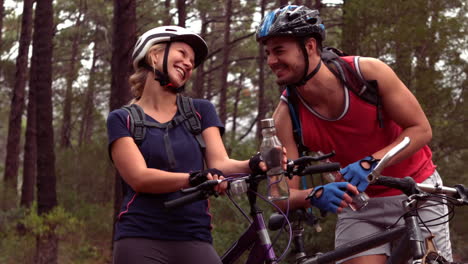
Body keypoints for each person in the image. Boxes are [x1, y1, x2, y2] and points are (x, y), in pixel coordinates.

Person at [255, 5, 453, 264]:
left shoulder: (367, 74)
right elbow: (281, 197)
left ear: (310, 46)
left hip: (417, 193)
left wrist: (371, 162)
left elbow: (420, 130)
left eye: (279, 50)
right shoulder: (286, 115)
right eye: (268, 53)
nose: (271, 61)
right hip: (360, 207)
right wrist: (315, 195)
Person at [107, 25, 270, 264]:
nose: (188, 63)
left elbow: (219, 165)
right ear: (154, 55)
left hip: (194, 236)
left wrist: (253, 164)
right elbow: (139, 178)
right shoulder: (122, 119)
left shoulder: (200, 111)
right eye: (182, 53)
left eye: (192, 60)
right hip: (140, 237)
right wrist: (194, 178)